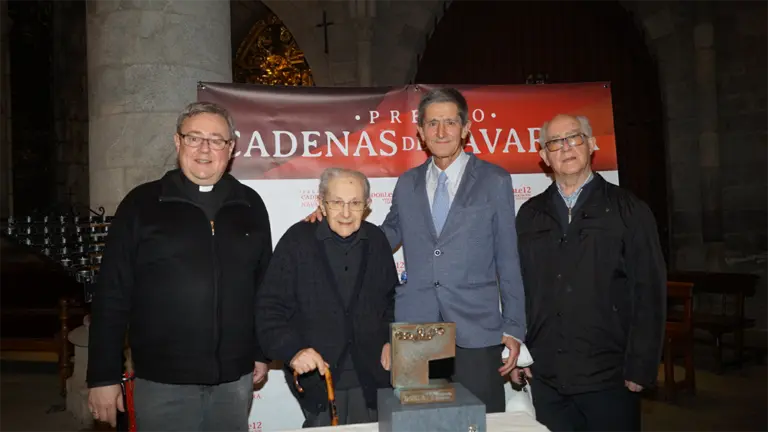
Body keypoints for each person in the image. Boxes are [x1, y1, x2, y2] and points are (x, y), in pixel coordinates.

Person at [308, 88, 526, 413]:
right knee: (422, 422)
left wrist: (514, 326)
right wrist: (337, 222)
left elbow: (508, 258)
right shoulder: (407, 183)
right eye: (432, 123)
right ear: (421, 132)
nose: (441, 131)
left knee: (478, 421)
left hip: (477, 326)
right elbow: (384, 238)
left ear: (465, 128)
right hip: (417, 327)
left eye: (450, 122)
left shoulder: (494, 180)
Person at [86, 101, 273, 432]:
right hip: (162, 384)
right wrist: (103, 374)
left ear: (231, 149)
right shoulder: (141, 204)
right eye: (194, 137)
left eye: (217, 140)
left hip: (234, 382)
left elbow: (263, 288)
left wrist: (260, 351)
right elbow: (111, 294)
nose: (205, 148)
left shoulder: (251, 206)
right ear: (177, 142)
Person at [511, 114, 666, 432]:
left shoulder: (629, 210)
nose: (565, 147)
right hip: (547, 374)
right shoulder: (529, 215)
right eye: (555, 142)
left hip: (609, 376)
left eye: (574, 137)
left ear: (592, 144)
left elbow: (649, 290)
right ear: (544, 156)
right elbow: (519, 288)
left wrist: (641, 366)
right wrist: (520, 353)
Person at [257, 167, 396, 427]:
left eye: (355, 203)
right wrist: (293, 350)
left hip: (374, 382)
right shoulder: (296, 242)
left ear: (367, 205)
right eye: (336, 202)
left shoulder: (377, 240)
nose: (345, 213)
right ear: (321, 202)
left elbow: (392, 301)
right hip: (319, 385)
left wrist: (392, 338)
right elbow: (269, 310)